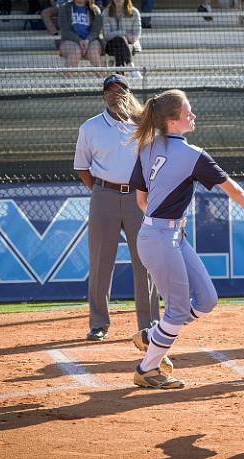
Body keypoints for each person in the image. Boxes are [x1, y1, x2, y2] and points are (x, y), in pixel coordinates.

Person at [129, 89, 244, 389]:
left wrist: (165, 223)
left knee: (207, 300)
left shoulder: (147, 147)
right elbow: (233, 190)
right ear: (172, 122)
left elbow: (141, 201)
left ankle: (152, 338)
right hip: (160, 237)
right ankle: (147, 369)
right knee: (178, 310)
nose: (193, 117)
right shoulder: (191, 153)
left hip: (166, 234)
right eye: (188, 113)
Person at [73, 75, 161, 342]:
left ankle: (149, 323)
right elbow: (81, 167)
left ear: (128, 93)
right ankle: (98, 323)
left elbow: (157, 161)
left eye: (120, 90)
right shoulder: (90, 127)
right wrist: (101, 190)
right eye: (109, 91)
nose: (115, 95)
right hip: (104, 196)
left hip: (138, 197)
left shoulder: (144, 125)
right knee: (101, 263)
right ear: (103, 96)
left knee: (145, 261)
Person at [102, 0, 142, 76]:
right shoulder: (106, 13)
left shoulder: (134, 12)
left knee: (120, 43)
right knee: (119, 40)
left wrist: (126, 37)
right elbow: (106, 35)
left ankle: (120, 75)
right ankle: (130, 66)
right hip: (110, 45)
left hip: (129, 45)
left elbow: (136, 35)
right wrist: (125, 33)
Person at [59, 0, 104, 68]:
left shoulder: (95, 9)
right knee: (75, 52)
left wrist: (87, 40)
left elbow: (96, 31)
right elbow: (65, 31)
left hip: (91, 40)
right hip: (69, 40)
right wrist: (79, 40)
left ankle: (101, 77)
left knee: (93, 52)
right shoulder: (64, 8)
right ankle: (68, 78)